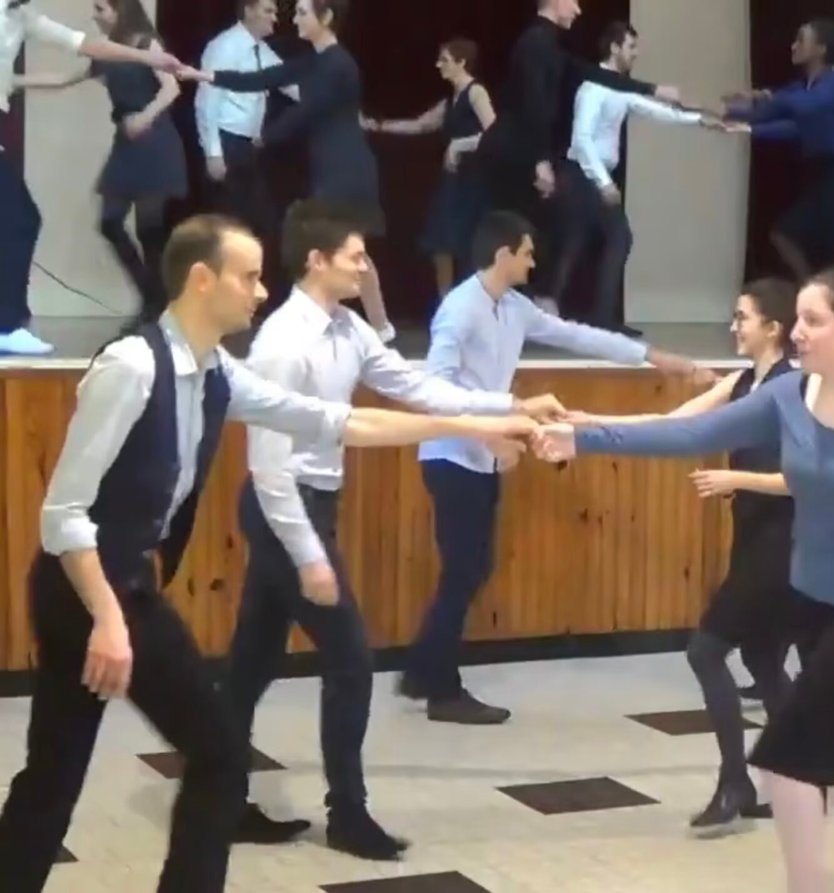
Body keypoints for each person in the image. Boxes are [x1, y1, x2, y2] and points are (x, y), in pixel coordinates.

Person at [0, 213, 539, 893]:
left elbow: (337, 420)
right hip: (88, 588)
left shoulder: (218, 371)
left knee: (57, 771)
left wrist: (478, 424)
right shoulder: (132, 366)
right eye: (249, 277)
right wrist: (107, 618)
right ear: (202, 279)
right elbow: (63, 514)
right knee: (215, 757)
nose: (261, 291)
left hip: (114, 584)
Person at [539, 268, 834, 893]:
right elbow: (690, 432)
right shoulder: (789, 397)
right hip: (814, 608)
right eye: (797, 319)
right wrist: (582, 438)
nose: (798, 333)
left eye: (814, 321)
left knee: (786, 761)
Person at [220, 201, 559, 859]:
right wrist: (308, 553)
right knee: (351, 661)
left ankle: (220, 797)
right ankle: (347, 814)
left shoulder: (348, 328)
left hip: (310, 506)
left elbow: (418, 387)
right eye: (354, 256)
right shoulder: (283, 343)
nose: (364, 266)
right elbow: (268, 468)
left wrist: (511, 405)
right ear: (316, 260)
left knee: (250, 665)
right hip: (284, 508)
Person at [398, 210, 706, 724]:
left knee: (470, 570)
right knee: (465, 571)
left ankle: (425, 673)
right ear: (503, 254)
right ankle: (437, 687)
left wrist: (657, 357)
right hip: (452, 456)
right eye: (526, 253)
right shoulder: (459, 310)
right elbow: (436, 391)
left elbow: (577, 336)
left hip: (484, 456)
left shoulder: (512, 307)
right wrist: (491, 432)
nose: (532, 262)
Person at [567, 278, 799, 835]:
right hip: (753, 535)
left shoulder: (795, 388)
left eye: (743, 317)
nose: (733, 326)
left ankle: (737, 781)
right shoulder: (744, 381)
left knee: (706, 651)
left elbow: (809, 478)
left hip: (783, 543)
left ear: (774, 328)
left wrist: (738, 479)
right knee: (763, 660)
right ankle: (801, 777)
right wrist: (591, 424)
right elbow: (679, 423)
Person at [188, 0, 394, 341]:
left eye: (301, 13)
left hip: (347, 167)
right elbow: (263, 78)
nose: (293, 19)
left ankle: (367, 328)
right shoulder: (314, 60)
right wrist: (206, 75)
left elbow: (307, 111)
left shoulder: (338, 64)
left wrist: (264, 138)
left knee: (333, 245)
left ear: (326, 17)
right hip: (331, 165)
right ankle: (378, 328)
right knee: (341, 247)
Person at [0, 0, 186, 355]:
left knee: (148, 227)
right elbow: (66, 75)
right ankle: (8, 322)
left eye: (101, 8)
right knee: (94, 221)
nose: (95, 14)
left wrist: (150, 74)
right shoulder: (14, 16)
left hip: (153, 141)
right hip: (127, 142)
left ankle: (158, 307)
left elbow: (87, 45)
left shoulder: (25, 17)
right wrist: (13, 82)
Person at [476, 0, 677, 292]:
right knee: (511, 238)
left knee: (525, 238)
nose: (578, 10)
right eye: (573, 2)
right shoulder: (536, 42)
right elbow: (534, 105)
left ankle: (527, 304)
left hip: (519, 151)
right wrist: (540, 159)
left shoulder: (548, 43)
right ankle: (507, 305)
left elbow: (591, 73)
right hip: (510, 154)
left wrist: (652, 89)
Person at [552, 21, 702, 333]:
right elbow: (581, 140)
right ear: (614, 48)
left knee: (578, 243)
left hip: (590, 177)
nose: (636, 54)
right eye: (631, 47)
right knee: (613, 238)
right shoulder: (593, 88)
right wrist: (604, 183)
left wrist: (698, 119)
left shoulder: (618, 88)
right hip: (582, 176)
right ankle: (596, 316)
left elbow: (650, 108)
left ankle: (585, 315)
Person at [722, 19, 834, 279]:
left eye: (801, 40)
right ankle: (814, 288)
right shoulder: (804, 86)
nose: (793, 46)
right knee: (788, 237)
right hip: (818, 174)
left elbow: (804, 107)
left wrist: (765, 100)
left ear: (821, 49)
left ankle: (825, 292)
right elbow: (776, 116)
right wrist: (726, 114)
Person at [362, 38, 494, 297]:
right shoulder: (451, 100)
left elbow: (494, 132)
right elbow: (420, 124)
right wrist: (379, 125)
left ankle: (475, 304)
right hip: (453, 180)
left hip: (473, 181)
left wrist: (460, 145)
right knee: (440, 243)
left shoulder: (476, 92)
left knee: (468, 244)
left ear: (461, 62)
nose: (438, 65)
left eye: (445, 60)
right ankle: (447, 302)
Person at [195, 0, 293, 270]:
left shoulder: (262, 51)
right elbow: (207, 100)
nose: (275, 18)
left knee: (257, 223)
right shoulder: (225, 46)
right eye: (268, 11)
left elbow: (289, 83)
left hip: (246, 147)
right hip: (227, 143)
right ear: (249, 10)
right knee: (231, 228)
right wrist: (213, 153)